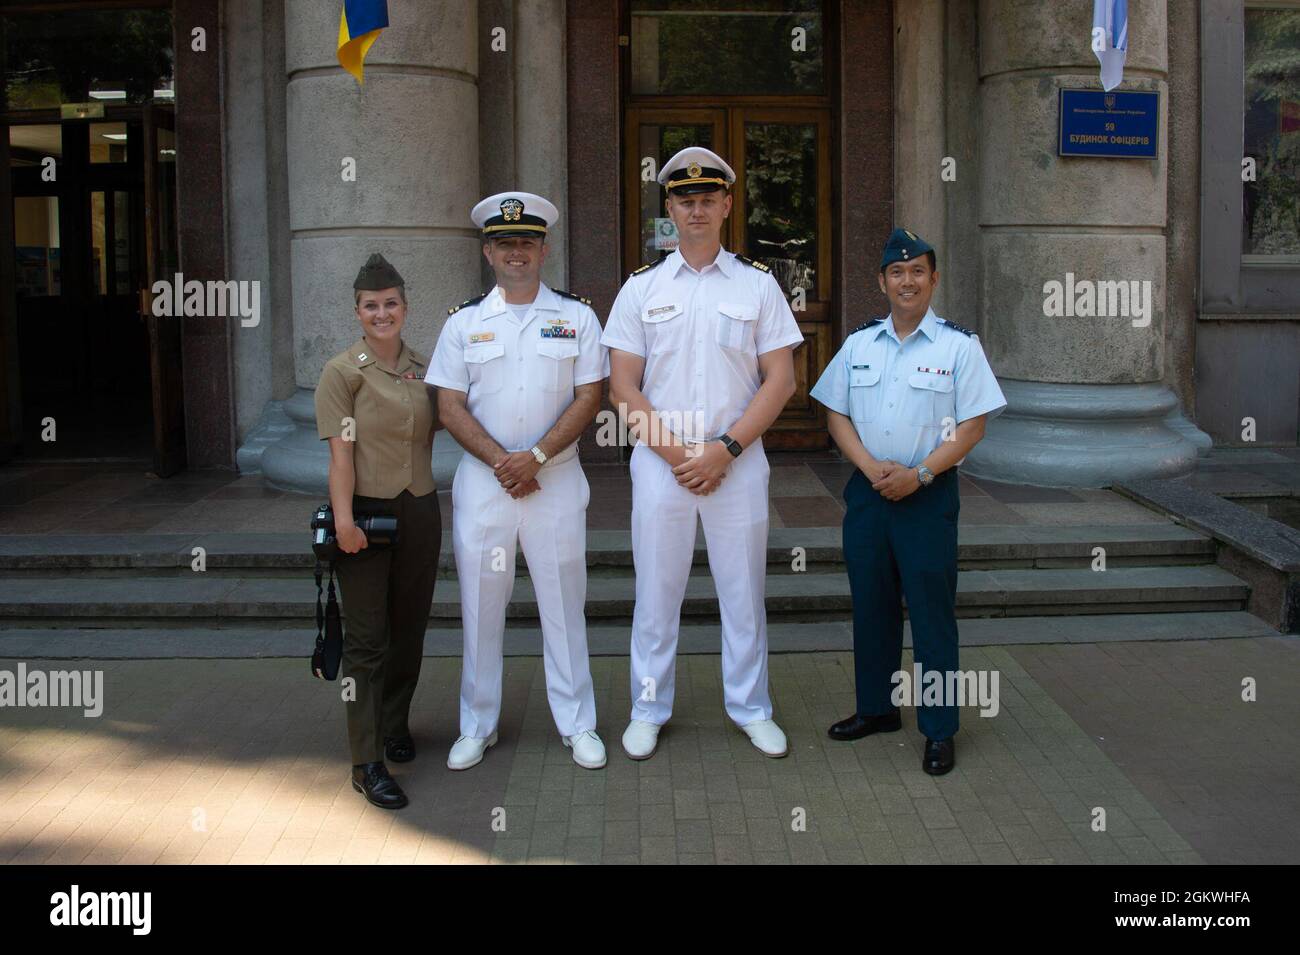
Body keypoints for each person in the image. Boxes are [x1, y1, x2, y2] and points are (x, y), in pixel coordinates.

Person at [602, 146, 803, 761]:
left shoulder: (758, 284)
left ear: (726, 205)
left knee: (742, 594)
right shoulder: (640, 288)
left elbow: (781, 379)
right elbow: (622, 386)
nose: (696, 208)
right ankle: (647, 707)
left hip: (736, 463)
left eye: (707, 199)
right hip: (662, 467)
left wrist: (725, 449)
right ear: (669, 206)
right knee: (656, 596)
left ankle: (750, 707)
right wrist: (677, 456)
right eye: (685, 199)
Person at [810, 228, 1006, 775]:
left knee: (931, 615)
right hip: (870, 495)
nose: (907, 280)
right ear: (882, 281)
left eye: (917, 270)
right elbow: (835, 414)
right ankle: (877, 710)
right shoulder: (858, 344)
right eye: (896, 272)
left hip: (927, 497)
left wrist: (919, 474)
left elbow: (973, 428)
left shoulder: (958, 346)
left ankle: (939, 729)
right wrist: (871, 468)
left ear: (934, 279)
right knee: (871, 608)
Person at [425, 191, 608, 771]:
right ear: (488, 251)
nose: (517, 253)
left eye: (527, 242)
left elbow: (590, 396)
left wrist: (535, 456)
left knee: (563, 604)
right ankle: (476, 725)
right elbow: (449, 405)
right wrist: (506, 462)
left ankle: (578, 724)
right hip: (485, 487)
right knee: (480, 608)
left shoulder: (576, 316)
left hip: (553, 482)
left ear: (543, 248)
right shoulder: (463, 323)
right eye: (505, 243)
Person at [314, 253, 442, 809]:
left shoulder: (425, 366)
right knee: (366, 642)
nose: (382, 312)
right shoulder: (343, 372)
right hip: (364, 514)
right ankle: (366, 762)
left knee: (408, 628)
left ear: (405, 309)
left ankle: (395, 724)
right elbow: (340, 456)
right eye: (372, 305)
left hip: (420, 510)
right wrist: (343, 522)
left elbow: (451, 421)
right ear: (357, 312)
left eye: (391, 304)